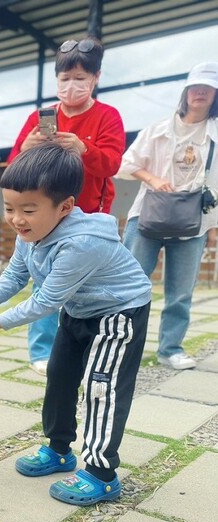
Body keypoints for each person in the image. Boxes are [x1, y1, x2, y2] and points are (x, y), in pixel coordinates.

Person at [0, 143, 152, 506]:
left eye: (28, 209)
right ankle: (60, 451)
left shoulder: (81, 243)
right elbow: (16, 273)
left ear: (65, 207)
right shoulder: (29, 232)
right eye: (10, 208)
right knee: (59, 375)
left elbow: (43, 301)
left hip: (119, 314)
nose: (16, 219)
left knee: (101, 387)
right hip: (79, 310)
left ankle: (102, 473)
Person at [8, 36, 126, 377]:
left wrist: (84, 149)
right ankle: (42, 351)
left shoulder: (107, 116)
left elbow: (113, 164)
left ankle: (88, 344)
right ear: (56, 80)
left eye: (80, 78)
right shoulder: (39, 117)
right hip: (45, 214)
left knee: (88, 283)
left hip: (89, 214)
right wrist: (27, 147)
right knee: (43, 279)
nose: (71, 85)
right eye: (64, 78)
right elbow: (14, 168)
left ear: (95, 78)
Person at [118, 61, 218, 370]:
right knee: (129, 284)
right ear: (186, 92)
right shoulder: (158, 129)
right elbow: (124, 164)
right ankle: (119, 343)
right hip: (148, 215)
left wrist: (215, 226)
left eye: (208, 88)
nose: (200, 93)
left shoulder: (215, 134)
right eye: (195, 87)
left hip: (195, 221)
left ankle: (170, 348)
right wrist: (152, 179)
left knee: (180, 292)